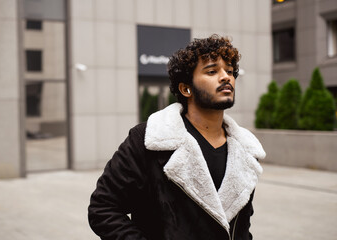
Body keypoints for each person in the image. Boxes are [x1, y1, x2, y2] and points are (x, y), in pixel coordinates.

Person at [88, 34, 266, 240]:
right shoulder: (149, 140)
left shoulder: (246, 149)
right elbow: (103, 208)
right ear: (186, 88)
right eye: (212, 71)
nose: (226, 76)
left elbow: (242, 228)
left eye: (229, 70)